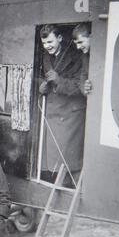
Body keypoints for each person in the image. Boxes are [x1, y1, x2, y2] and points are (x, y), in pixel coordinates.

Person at [39, 24, 86, 186]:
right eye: (44, 43)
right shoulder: (45, 56)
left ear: (59, 38)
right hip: (54, 111)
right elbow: (40, 77)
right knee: (54, 157)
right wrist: (41, 86)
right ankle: (57, 182)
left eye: (50, 42)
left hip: (70, 115)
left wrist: (59, 80)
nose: (47, 46)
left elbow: (80, 86)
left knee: (68, 157)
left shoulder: (76, 55)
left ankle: (67, 184)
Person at [72, 23, 92, 96]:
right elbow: (83, 76)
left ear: (91, 37)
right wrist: (84, 88)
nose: (78, 47)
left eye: (80, 42)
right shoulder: (85, 56)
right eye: (76, 43)